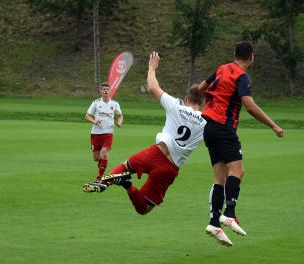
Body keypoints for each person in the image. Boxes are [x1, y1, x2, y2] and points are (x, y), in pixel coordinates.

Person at [82, 51, 207, 217]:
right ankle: (128, 186)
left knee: (126, 166)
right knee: (143, 208)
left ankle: (105, 183)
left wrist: (152, 68)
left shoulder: (176, 106)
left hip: (155, 153)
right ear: (203, 102)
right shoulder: (207, 120)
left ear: (186, 98)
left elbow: (153, 87)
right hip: (169, 168)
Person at [198, 41, 284, 247]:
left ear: (234, 54)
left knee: (220, 176)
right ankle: (229, 214)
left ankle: (213, 224)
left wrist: (213, 103)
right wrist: (273, 126)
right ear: (251, 57)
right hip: (223, 128)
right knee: (238, 171)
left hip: (209, 127)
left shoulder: (222, 68)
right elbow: (251, 107)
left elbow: (201, 88)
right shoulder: (242, 77)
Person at [85, 82, 123, 183]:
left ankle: (99, 177)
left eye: (107, 89)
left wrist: (119, 122)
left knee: (105, 154)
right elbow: (87, 116)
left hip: (108, 132)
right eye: (104, 89)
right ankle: (101, 164)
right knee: (96, 158)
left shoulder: (114, 104)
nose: (106, 91)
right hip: (96, 133)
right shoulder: (96, 103)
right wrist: (95, 122)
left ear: (110, 91)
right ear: (101, 91)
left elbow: (120, 115)